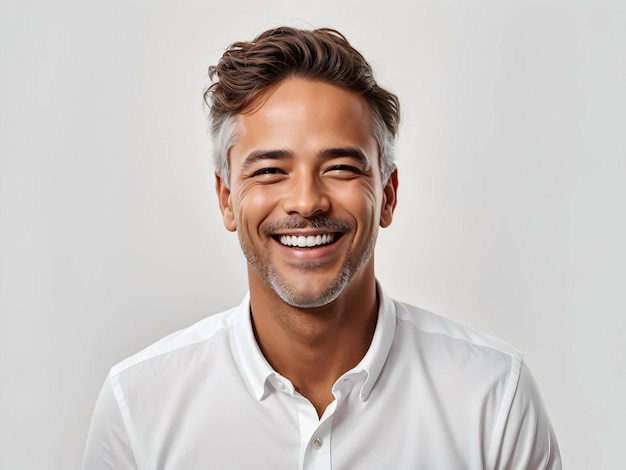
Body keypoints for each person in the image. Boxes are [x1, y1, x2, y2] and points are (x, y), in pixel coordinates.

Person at [83, 26, 561, 469]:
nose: (307, 201)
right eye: (270, 170)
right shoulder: (138, 405)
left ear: (388, 195)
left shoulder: (495, 397)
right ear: (227, 199)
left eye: (340, 167)